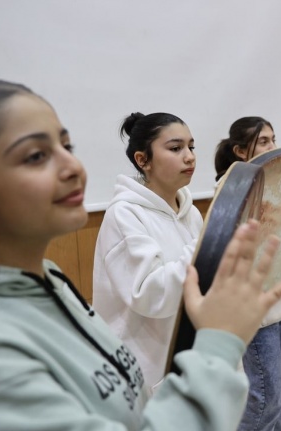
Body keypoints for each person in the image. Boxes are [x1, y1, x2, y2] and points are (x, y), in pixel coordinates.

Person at [0, 79, 281, 430]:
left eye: (66, 147)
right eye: (35, 156)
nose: (73, 167)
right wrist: (217, 345)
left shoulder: (50, 282)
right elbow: (151, 293)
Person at [92, 112, 203, 391]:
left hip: (186, 356)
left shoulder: (191, 213)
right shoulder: (124, 214)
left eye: (191, 146)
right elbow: (150, 295)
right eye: (176, 148)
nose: (189, 157)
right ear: (143, 160)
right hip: (142, 368)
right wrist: (205, 245)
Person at [215, 117, 281, 431]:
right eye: (263, 141)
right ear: (240, 151)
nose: (272, 147)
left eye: (273, 139)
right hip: (254, 307)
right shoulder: (230, 190)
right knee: (265, 396)